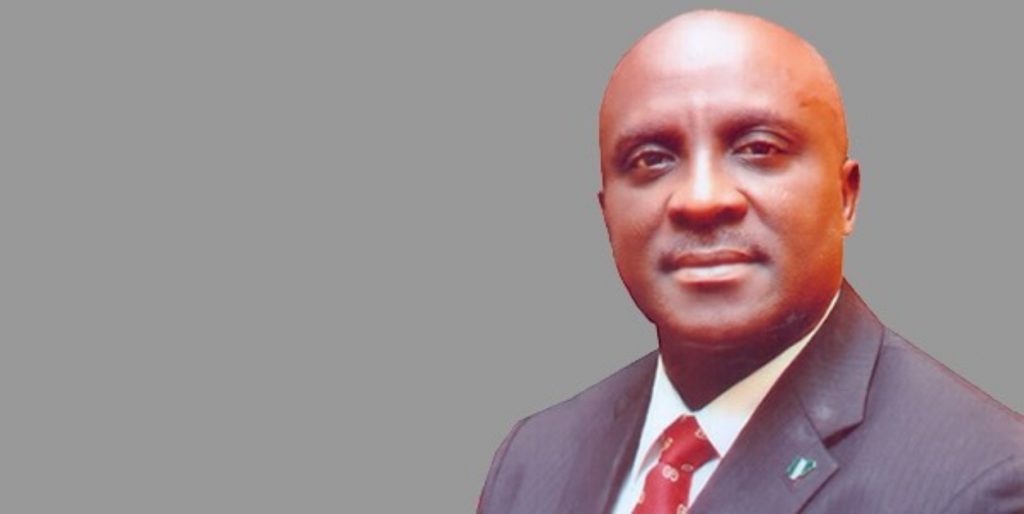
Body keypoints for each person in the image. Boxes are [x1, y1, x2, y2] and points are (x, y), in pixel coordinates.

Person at [478, 9, 1024, 514]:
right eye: (651, 159)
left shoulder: (985, 481)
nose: (701, 198)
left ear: (846, 197)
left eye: (758, 148)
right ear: (606, 214)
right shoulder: (533, 461)